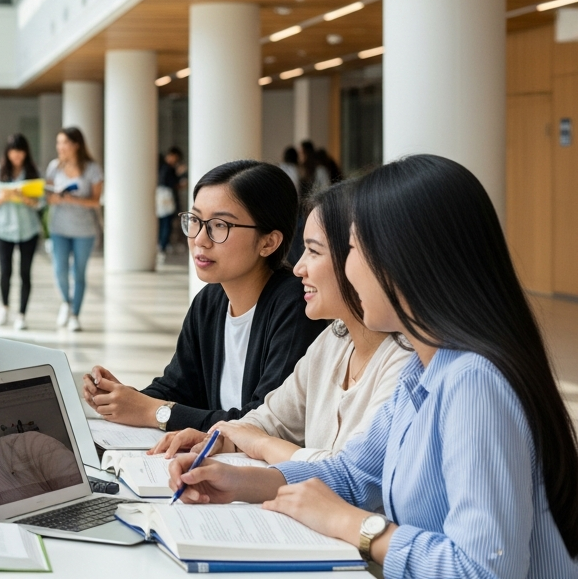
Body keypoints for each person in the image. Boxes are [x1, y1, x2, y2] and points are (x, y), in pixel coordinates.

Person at [167, 155, 578, 578]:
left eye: (355, 250)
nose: (341, 269)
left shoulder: (473, 381)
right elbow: (352, 474)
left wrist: (355, 525)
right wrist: (239, 483)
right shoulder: (428, 369)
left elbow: (483, 570)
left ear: (406, 262)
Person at [154, 181, 409, 462]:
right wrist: (220, 438)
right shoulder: (335, 340)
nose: (298, 268)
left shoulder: (408, 361)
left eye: (313, 251)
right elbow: (268, 419)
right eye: (196, 221)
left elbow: (349, 476)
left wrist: (258, 443)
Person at [83, 160, 324, 432]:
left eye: (220, 225)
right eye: (195, 220)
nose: (200, 239)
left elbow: (262, 421)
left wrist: (153, 411)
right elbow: (179, 386)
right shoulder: (210, 301)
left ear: (268, 242)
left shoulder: (295, 305)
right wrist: (125, 397)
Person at [44, 126, 104, 331]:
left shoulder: (92, 168)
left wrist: (73, 199)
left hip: (84, 230)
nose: (60, 147)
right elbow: (48, 197)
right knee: (59, 270)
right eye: (58, 143)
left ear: (76, 145)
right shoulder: (54, 167)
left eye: (65, 143)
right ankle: (66, 303)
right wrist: (54, 198)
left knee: (78, 273)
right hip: (58, 227)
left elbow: (96, 201)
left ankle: (75, 315)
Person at [0, 133, 43, 330]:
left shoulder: (33, 171)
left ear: (26, 153)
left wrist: (27, 199)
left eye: (20, 152)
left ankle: (22, 314)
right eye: (13, 152)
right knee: (5, 271)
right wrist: (1, 198)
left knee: (25, 272)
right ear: (7, 153)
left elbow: (41, 202)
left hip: (28, 229)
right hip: (3, 228)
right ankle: (4, 307)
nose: (17, 156)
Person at [157, 147, 184, 258]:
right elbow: (172, 183)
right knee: (166, 222)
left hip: (162, 199)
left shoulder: (161, 167)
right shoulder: (168, 168)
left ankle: (163, 244)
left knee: (164, 222)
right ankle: (163, 244)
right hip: (166, 200)